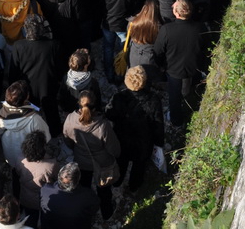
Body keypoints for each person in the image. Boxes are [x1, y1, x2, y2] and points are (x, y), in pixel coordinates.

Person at [61, 91, 119, 221]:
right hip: (102, 163)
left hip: (81, 161)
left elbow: (67, 139)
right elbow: (113, 147)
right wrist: (116, 156)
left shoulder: (70, 119)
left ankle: (86, 213)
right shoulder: (103, 125)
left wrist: (77, 150)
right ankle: (107, 213)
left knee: (83, 188)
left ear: (78, 104)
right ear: (95, 106)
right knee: (104, 190)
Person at [106, 66, 164, 192]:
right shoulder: (153, 100)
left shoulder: (118, 97)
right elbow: (158, 126)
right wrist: (159, 143)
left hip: (122, 140)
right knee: (139, 167)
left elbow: (109, 114)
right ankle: (133, 186)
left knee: (121, 163)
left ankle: (117, 182)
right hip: (143, 143)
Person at [154, 0, 206, 127]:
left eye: (174, 6)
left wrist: (161, 65)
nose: (172, 5)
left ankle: (176, 121)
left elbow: (158, 51)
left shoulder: (167, 29)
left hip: (173, 69)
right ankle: (191, 98)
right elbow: (205, 48)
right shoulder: (200, 27)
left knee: (174, 96)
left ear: (177, 13)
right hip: (193, 67)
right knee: (190, 87)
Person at [10, 15, 62, 134]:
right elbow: (59, 68)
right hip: (48, 85)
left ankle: (34, 133)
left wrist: (13, 85)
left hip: (28, 89)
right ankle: (55, 132)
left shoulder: (18, 46)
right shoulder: (54, 45)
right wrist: (58, 81)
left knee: (30, 113)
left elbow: (14, 69)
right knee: (51, 111)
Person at [100, 0, 142, 81]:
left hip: (108, 23)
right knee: (123, 49)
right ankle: (120, 73)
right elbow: (135, 6)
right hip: (123, 24)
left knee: (108, 48)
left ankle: (109, 73)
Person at [0, 81, 50, 170]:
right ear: (27, 97)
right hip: (27, 153)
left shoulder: (0, 112)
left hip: (9, 148)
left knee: (13, 166)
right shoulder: (34, 118)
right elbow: (46, 137)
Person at [39, 162, 97, 229]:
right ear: (78, 179)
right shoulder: (88, 195)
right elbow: (94, 209)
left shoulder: (45, 189)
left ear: (59, 177)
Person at [59, 50, 101, 114]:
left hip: (71, 111)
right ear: (86, 65)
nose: (89, 58)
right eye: (88, 58)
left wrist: (66, 110)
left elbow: (62, 96)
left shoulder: (66, 78)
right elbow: (97, 100)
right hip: (87, 112)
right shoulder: (92, 82)